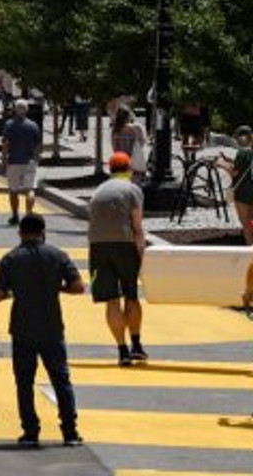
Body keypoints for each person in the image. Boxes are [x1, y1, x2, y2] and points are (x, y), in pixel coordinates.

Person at [0, 214, 85, 447]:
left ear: (20, 232)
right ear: (43, 231)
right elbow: (78, 287)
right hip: (52, 327)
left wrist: (18, 293)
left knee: (24, 382)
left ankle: (31, 431)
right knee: (61, 380)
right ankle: (70, 432)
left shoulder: (11, 259)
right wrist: (57, 289)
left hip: (22, 328)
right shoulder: (58, 255)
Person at [86, 151, 148, 367]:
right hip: (124, 244)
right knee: (131, 295)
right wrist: (142, 254)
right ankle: (137, 345)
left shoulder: (98, 191)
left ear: (110, 170)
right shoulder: (132, 189)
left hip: (98, 246)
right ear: (128, 170)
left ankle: (122, 350)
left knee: (112, 299)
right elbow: (137, 227)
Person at [2, 100, 42, 225]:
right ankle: (28, 214)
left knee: (13, 190)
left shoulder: (9, 125)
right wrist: (36, 158)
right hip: (29, 161)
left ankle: (15, 215)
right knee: (29, 189)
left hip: (14, 160)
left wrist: (4, 159)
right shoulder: (34, 126)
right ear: (26, 110)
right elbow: (38, 145)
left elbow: (6, 144)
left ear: (15, 109)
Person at [217, 125, 253, 245]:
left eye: (238, 138)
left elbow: (234, 173)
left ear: (245, 137)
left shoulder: (243, 152)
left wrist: (221, 164)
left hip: (243, 192)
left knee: (246, 223)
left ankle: (250, 250)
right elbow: (244, 167)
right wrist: (231, 161)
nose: (237, 141)